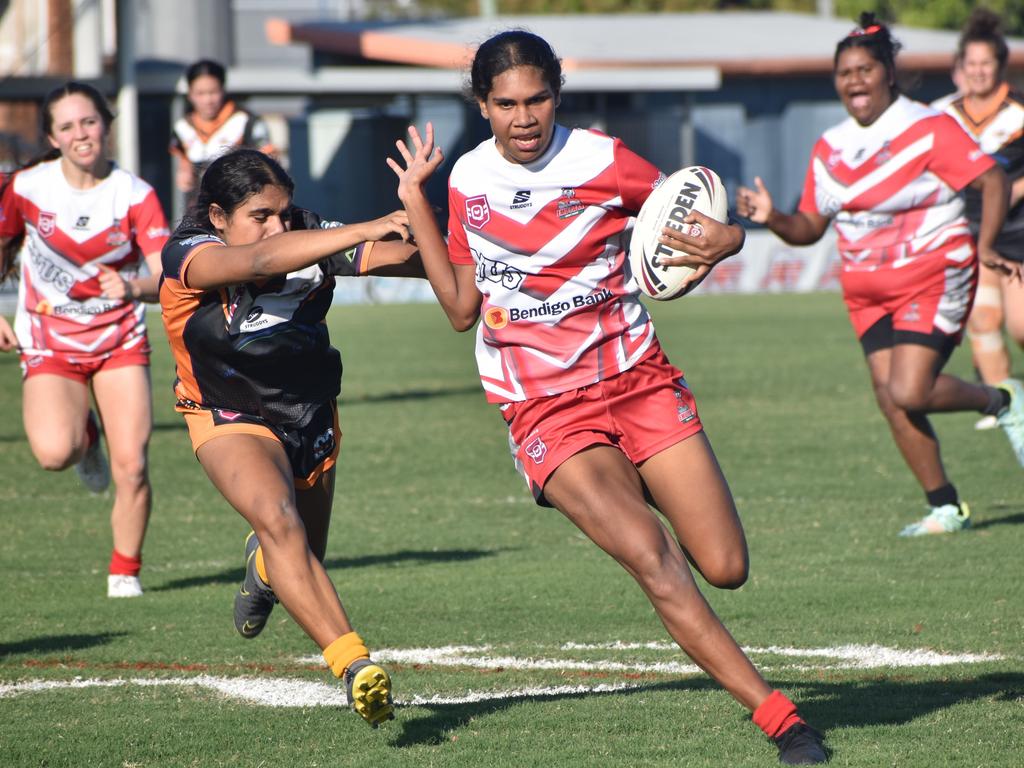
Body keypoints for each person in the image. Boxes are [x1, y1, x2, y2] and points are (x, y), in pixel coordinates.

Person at [389, 30, 828, 765]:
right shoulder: (465, 180)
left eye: (537, 100)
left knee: (723, 565)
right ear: (482, 104)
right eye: (505, 104)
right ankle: (783, 721)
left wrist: (730, 240)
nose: (523, 118)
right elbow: (462, 306)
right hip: (545, 409)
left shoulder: (604, 159)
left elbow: (690, 224)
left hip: (638, 379)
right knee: (655, 557)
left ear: (557, 95)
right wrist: (415, 200)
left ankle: (640, 488)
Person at [160, 147, 423, 727]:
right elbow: (258, 261)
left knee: (300, 554)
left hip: (308, 413)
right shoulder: (188, 250)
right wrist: (365, 225)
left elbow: (398, 257)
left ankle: (262, 570)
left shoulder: (305, 229)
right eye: (261, 214)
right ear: (219, 216)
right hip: (226, 411)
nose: (280, 224)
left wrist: (439, 241)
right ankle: (356, 666)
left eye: (285, 211)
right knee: (279, 522)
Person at [735, 14, 1024, 537]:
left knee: (910, 390)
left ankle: (1002, 399)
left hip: (934, 273)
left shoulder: (928, 127)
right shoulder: (830, 147)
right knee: (890, 398)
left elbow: (993, 182)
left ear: (888, 72)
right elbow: (809, 228)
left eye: (865, 70)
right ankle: (945, 507)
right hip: (866, 292)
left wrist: (985, 246)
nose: (854, 81)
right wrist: (773, 217)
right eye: (844, 73)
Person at [0, 81, 169, 598]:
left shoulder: (136, 194)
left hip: (119, 339)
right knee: (55, 452)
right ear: (53, 136)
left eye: (90, 122)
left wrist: (135, 285)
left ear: (107, 126)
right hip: (49, 339)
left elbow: (168, 276)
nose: (81, 134)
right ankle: (86, 436)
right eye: (68, 126)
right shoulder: (28, 188)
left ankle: (125, 571)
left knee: (133, 465)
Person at [938, 9, 1024, 431]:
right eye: (969, 64)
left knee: (1022, 325)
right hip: (969, 231)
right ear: (960, 68)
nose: (977, 71)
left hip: (1018, 231)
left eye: (984, 63)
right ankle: (1006, 402)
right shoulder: (944, 115)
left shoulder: (1019, 110)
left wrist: (1009, 193)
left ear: (999, 66)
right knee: (983, 319)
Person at [170, 58, 276, 199]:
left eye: (213, 92)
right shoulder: (182, 127)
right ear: (190, 94)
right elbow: (183, 165)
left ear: (223, 90)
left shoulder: (246, 122)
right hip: (199, 206)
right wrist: (185, 173)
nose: (208, 100)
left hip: (239, 202)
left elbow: (269, 164)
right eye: (200, 93)